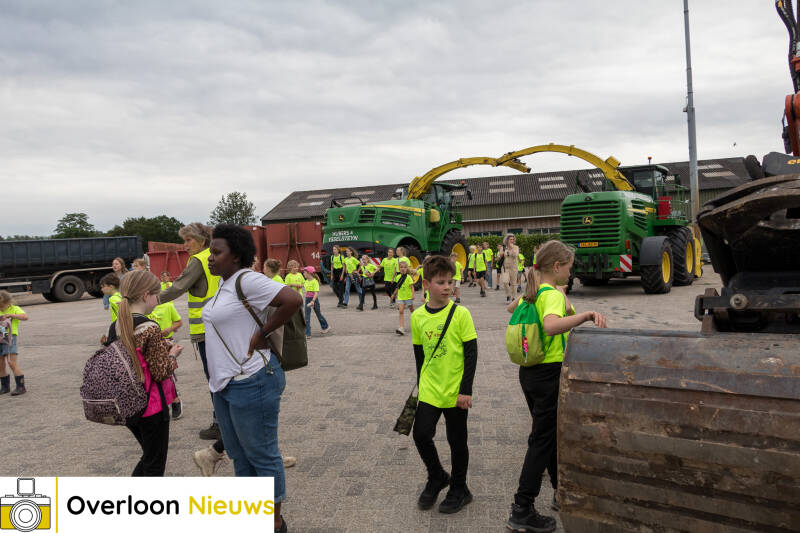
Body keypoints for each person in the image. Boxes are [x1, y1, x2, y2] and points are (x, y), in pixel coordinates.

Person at [202, 224, 302, 533]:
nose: (210, 258)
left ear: (236, 256)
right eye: (210, 252)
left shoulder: (248, 279)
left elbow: (293, 300)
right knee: (239, 455)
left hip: (253, 379)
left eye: (217, 252)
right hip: (225, 384)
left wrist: (263, 332)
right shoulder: (225, 283)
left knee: (262, 454)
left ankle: (274, 521)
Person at [504, 240, 607, 532]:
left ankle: (561, 493)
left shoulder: (533, 292)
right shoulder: (550, 294)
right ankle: (522, 508)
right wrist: (585, 316)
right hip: (549, 373)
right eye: (569, 268)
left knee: (547, 437)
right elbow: (550, 326)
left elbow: (512, 308)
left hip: (529, 374)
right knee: (541, 440)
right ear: (557, 267)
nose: (570, 274)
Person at [411, 255, 478, 514]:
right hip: (429, 388)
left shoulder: (461, 314)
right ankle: (437, 475)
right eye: (441, 282)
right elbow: (419, 356)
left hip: (455, 390)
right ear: (426, 284)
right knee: (420, 434)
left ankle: (460, 488)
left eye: (451, 281)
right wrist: (419, 388)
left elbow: (471, 353)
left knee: (457, 441)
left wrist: (466, 390)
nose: (448, 287)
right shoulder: (417, 317)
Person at [104, 270, 183, 476]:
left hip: (128, 404)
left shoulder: (117, 324)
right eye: (157, 295)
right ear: (146, 295)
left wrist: (158, 347)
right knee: (154, 463)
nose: (158, 300)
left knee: (148, 456)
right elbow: (161, 371)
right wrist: (172, 354)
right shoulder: (150, 326)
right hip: (151, 405)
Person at [157, 222, 221, 440]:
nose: (185, 245)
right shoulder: (216, 256)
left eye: (188, 240)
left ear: (202, 241)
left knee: (213, 377)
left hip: (206, 328)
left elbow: (178, 287)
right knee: (223, 374)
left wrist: (149, 299)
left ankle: (220, 423)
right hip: (221, 325)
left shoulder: (198, 260)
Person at [147, 294, 184, 420]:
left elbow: (179, 322)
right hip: (151, 344)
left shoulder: (168, 306)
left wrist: (169, 329)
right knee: (157, 373)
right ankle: (168, 399)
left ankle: (175, 400)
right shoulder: (145, 308)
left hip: (167, 342)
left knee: (168, 372)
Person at [0, 291, 29, 396]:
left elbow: (25, 317)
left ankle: (21, 386)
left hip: (10, 338)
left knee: (11, 362)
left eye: (2, 306)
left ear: (8, 302)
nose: (1, 308)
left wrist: (11, 315)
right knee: (1, 364)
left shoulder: (14, 309)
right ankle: (5, 386)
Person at [302, 266, 330, 338]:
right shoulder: (306, 281)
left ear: (309, 273)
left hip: (314, 300)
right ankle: (308, 333)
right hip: (307, 299)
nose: (303, 273)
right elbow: (301, 285)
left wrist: (313, 301)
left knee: (318, 314)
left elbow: (316, 293)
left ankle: (325, 326)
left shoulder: (315, 282)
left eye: (304, 272)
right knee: (307, 316)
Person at [391, 261, 415, 335]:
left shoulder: (408, 277)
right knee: (401, 311)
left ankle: (417, 322)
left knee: (412, 312)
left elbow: (412, 287)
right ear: (399, 268)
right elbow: (398, 287)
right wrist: (394, 294)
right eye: (401, 267)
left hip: (408, 298)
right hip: (401, 297)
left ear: (407, 268)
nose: (403, 269)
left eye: (404, 267)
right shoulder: (398, 277)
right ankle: (401, 328)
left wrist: (413, 295)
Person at [501, 234, 520, 303]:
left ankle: (514, 297)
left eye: (513, 239)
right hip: (505, 267)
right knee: (505, 282)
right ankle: (508, 295)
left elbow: (515, 255)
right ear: (507, 240)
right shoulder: (503, 247)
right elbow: (500, 256)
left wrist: (512, 248)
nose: (512, 241)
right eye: (510, 239)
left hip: (513, 267)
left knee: (513, 283)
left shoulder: (516, 247)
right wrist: (502, 253)